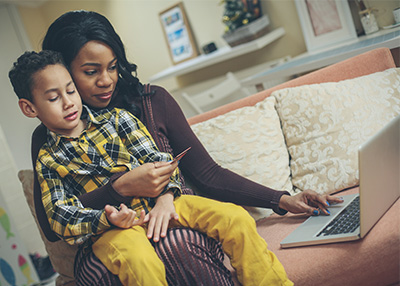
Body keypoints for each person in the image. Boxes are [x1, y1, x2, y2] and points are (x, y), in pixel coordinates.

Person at [31, 10, 342, 285]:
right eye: (90, 72)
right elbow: (52, 224)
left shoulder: (150, 102)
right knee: (134, 260)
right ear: (61, 70)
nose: (107, 80)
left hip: (170, 220)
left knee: (177, 243)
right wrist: (120, 188)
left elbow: (207, 174)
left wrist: (282, 199)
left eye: (112, 67)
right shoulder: (48, 137)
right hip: (106, 236)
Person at [9, 50, 294, 286]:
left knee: (235, 218)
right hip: (112, 230)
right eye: (53, 97)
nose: (68, 101)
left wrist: (164, 195)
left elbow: (157, 160)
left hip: (161, 205)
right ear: (30, 108)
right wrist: (107, 219)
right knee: (140, 264)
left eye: (70, 90)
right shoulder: (48, 159)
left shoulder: (118, 120)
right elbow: (59, 215)